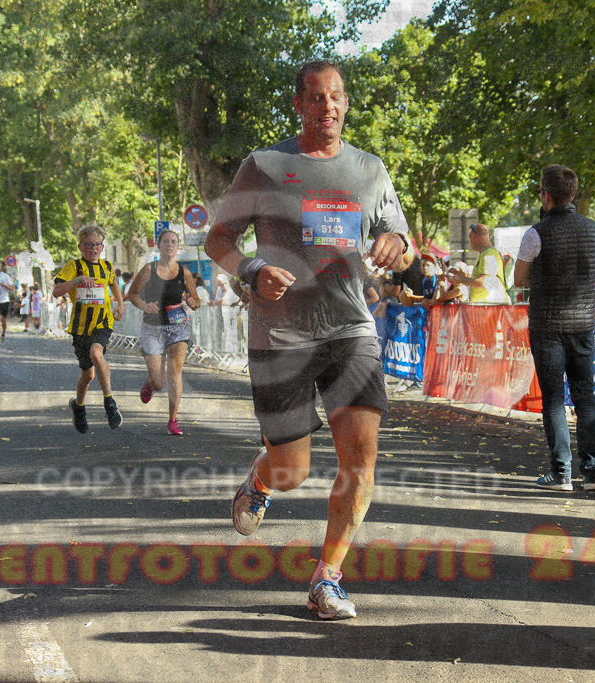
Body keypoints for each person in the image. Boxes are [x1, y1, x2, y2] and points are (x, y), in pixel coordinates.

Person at [205, 59, 410, 620]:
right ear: (298, 104)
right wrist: (251, 271)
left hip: (351, 329)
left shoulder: (369, 169)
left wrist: (398, 246)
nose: (329, 107)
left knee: (360, 460)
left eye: (337, 96)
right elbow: (218, 239)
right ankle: (263, 478)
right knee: (293, 470)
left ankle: (328, 577)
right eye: (317, 98)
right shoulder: (265, 166)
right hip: (280, 335)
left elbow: (401, 241)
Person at [514, 164, 595, 492]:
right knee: (584, 396)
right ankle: (592, 474)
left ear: (546, 195)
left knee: (553, 399)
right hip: (583, 325)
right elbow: (589, 272)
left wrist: (543, 273)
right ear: (573, 193)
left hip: (548, 325)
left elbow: (519, 278)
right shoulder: (593, 229)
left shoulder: (535, 233)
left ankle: (561, 472)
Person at [128, 229, 202, 435]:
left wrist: (192, 302)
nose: (170, 245)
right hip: (152, 328)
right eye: (166, 241)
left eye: (174, 242)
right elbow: (132, 294)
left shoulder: (184, 272)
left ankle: (173, 420)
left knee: (175, 374)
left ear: (178, 247)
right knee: (159, 382)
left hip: (178, 327)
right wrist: (144, 306)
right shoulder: (148, 270)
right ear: (159, 245)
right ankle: (151, 384)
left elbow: (196, 300)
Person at [52, 224, 125, 433]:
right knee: (88, 375)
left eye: (97, 245)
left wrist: (120, 304)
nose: (93, 248)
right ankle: (79, 407)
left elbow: (113, 283)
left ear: (102, 247)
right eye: (88, 244)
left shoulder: (107, 266)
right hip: (80, 327)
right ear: (80, 247)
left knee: (96, 354)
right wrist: (77, 281)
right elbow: (56, 291)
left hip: (103, 322)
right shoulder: (73, 266)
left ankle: (109, 403)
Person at [447, 223, 509, 303]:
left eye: (470, 238)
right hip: (486, 306)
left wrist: (461, 279)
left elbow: (485, 283)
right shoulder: (485, 254)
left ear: (475, 237)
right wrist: (463, 277)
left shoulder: (490, 254)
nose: (470, 242)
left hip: (492, 306)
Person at [211, 273, 241, 353]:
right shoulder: (219, 289)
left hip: (232, 315)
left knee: (232, 333)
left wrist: (213, 302)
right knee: (225, 333)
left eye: (224, 283)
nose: (222, 286)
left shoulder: (231, 289)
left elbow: (224, 301)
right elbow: (217, 299)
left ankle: (233, 352)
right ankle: (226, 351)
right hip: (222, 314)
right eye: (220, 284)